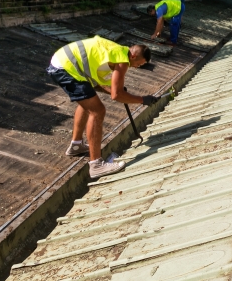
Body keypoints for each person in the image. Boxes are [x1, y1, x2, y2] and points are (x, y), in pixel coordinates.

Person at [46, 37, 156, 178]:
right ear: (134, 56)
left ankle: (76, 145)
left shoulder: (114, 51)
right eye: (139, 64)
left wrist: (117, 91)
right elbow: (116, 96)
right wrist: (142, 100)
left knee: (88, 102)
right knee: (98, 111)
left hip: (63, 63)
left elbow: (97, 85)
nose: (138, 67)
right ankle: (96, 165)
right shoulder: (122, 59)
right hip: (66, 67)